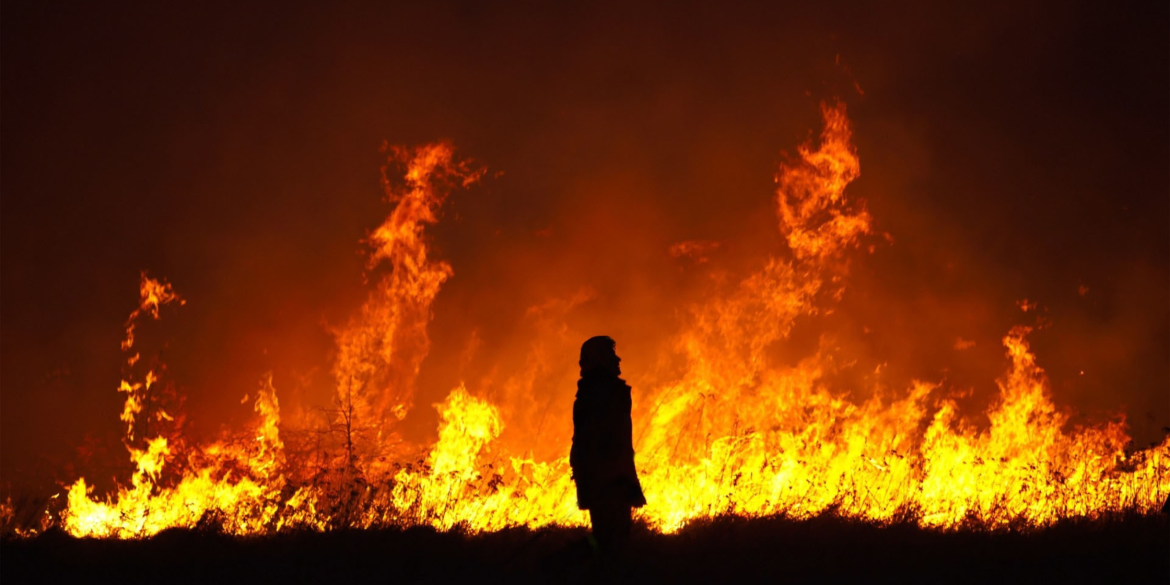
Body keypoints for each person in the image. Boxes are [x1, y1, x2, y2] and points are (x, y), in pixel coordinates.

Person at [570, 335, 646, 558]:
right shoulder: (600, 394)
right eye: (611, 354)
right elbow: (602, 444)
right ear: (599, 359)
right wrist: (619, 482)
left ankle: (568, 564)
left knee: (611, 541)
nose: (618, 359)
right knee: (612, 543)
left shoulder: (600, 392)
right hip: (608, 483)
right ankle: (559, 564)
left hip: (608, 481)